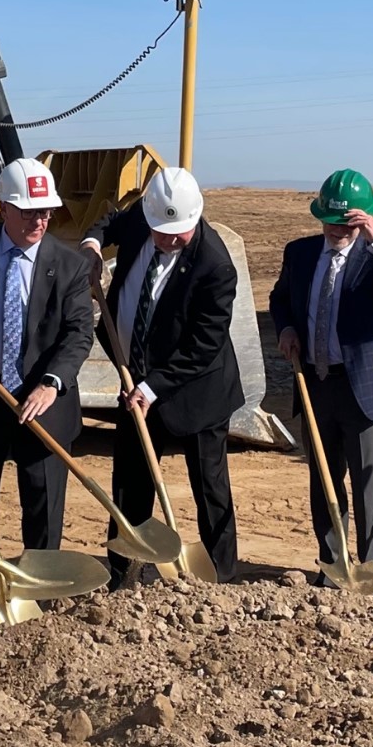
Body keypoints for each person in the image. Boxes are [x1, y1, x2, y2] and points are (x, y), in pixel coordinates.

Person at [0, 158, 95, 626]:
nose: (39, 220)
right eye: (29, 211)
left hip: (42, 403)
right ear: (4, 208)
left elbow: (79, 333)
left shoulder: (68, 265)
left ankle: (35, 604)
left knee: (42, 505)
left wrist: (52, 382)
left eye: (46, 211)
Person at [82, 167, 242, 584]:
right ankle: (124, 574)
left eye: (178, 234)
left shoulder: (215, 266)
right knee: (130, 483)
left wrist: (152, 388)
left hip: (198, 389)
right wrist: (92, 245)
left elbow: (203, 346)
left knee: (210, 488)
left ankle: (220, 577)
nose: (169, 240)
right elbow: (107, 222)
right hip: (133, 372)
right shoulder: (145, 215)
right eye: (161, 232)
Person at [270, 169, 373, 583]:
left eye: (348, 223)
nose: (339, 230)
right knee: (324, 477)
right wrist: (286, 328)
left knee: (369, 483)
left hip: (366, 389)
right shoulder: (300, 253)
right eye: (332, 222)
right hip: (316, 384)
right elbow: (280, 298)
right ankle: (333, 564)